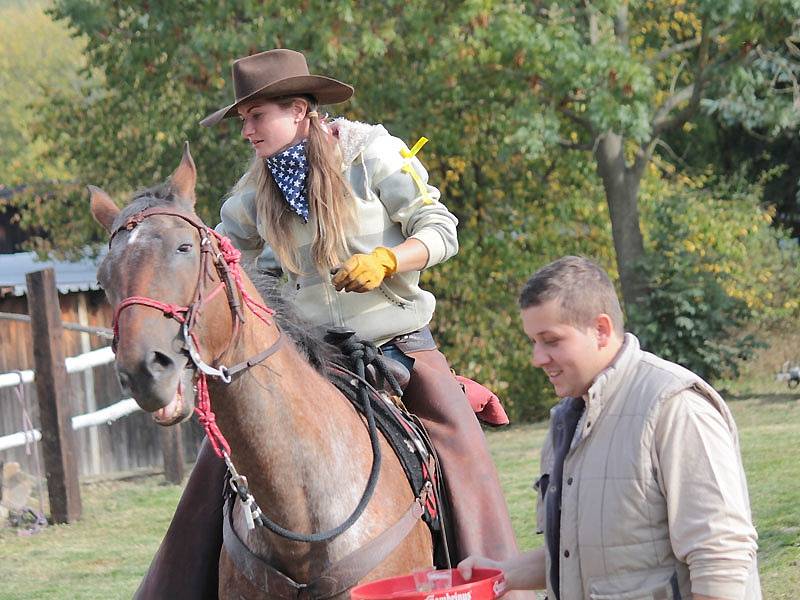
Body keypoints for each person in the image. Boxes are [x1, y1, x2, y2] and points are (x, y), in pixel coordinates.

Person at [135, 48, 523, 598]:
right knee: (218, 462)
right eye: (242, 120)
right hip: (307, 358)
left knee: (461, 452)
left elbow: (441, 227)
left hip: (397, 347)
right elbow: (215, 262)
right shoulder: (250, 196)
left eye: (256, 116)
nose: (247, 130)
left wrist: (390, 259)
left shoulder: (374, 155)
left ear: (298, 110)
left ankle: (500, 582)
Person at [459, 256, 761, 600]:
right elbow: (581, 557)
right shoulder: (568, 419)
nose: (537, 358)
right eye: (533, 342)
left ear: (601, 330)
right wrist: (505, 573)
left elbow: (722, 555)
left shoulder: (675, 405)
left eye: (551, 340)